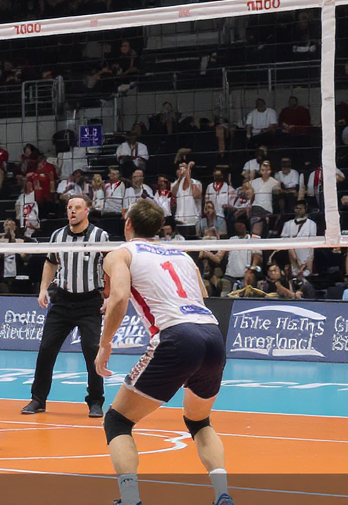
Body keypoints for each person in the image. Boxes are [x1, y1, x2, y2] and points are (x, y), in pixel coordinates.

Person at [96, 200, 232, 505]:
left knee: (117, 421)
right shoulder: (183, 255)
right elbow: (203, 295)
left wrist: (105, 344)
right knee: (199, 422)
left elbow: (118, 298)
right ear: (159, 227)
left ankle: (130, 498)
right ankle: (223, 494)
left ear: (127, 222)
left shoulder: (120, 253)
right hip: (211, 334)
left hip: (176, 337)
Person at [26, 196, 110, 418]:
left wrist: (109, 296)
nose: (72, 211)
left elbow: (111, 266)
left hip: (90, 302)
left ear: (87, 211)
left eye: (77, 208)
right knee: (46, 349)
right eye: (69, 208)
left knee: (92, 351)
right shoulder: (57, 235)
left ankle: (95, 401)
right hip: (62, 300)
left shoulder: (100, 236)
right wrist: (43, 289)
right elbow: (51, 262)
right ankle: (38, 399)